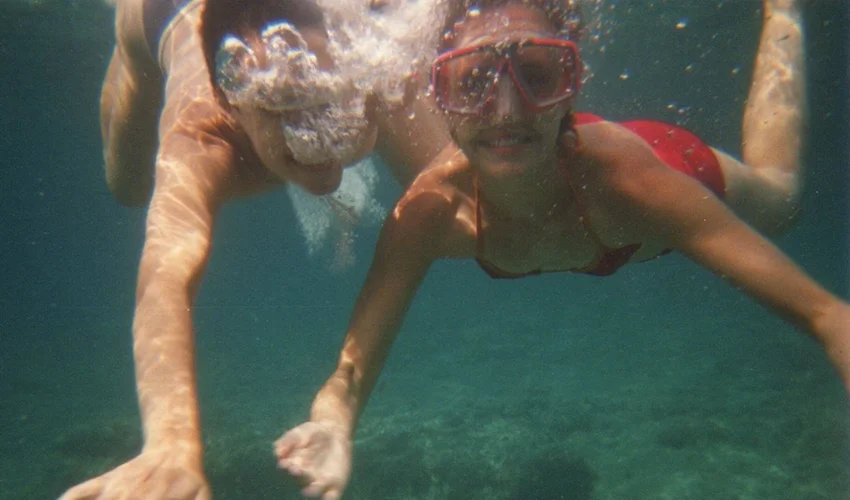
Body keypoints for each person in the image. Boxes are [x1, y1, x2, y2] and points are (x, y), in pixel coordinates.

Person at [274, 0, 850, 498]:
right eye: (472, 82)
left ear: (572, 82)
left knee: (781, 198)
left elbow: (827, 316)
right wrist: (333, 424)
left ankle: (785, 11)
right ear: (440, 97)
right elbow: (349, 372)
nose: (507, 111)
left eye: (538, 74)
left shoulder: (632, 182)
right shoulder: (430, 212)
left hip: (660, 157)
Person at [59, 0, 451, 498]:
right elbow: (166, 274)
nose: (316, 142)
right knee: (129, 185)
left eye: (331, 109)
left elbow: (470, 196)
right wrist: (170, 445)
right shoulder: (204, 131)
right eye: (285, 111)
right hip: (162, 14)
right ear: (234, 102)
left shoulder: (380, 78)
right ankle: (129, 58)